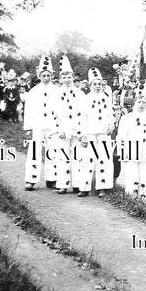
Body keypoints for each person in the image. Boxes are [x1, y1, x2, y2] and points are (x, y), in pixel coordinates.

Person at [23, 55, 61, 191]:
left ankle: (52, 179)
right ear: (39, 75)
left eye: (48, 75)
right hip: (38, 125)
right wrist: (28, 128)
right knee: (34, 151)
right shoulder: (33, 91)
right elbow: (28, 111)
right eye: (43, 75)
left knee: (53, 151)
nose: (45, 78)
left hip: (53, 126)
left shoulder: (57, 91)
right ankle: (31, 179)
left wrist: (60, 126)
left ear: (52, 75)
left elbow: (61, 110)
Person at [77, 67, 115, 198]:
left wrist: (111, 125)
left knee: (104, 158)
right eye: (95, 84)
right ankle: (85, 187)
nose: (97, 86)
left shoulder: (107, 98)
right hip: (90, 133)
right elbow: (81, 118)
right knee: (88, 159)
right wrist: (83, 135)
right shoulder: (85, 99)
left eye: (99, 84)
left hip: (104, 132)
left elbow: (111, 114)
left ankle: (103, 187)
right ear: (90, 85)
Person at [53, 55, 87, 194]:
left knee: (78, 157)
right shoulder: (56, 93)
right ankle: (62, 184)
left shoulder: (80, 93)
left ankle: (78, 184)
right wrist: (58, 129)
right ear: (61, 79)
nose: (67, 80)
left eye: (69, 77)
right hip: (63, 129)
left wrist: (82, 132)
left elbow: (84, 113)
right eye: (64, 77)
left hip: (77, 128)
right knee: (62, 156)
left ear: (73, 78)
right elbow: (53, 114)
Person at [116, 96, 146, 202]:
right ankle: (131, 202)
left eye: (144, 102)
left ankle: (145, 204)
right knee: (132, 178)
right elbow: (121, 137)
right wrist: (123, 152)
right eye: (139, 102)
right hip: (131, 151)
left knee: (145, 178)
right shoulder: (127, 118)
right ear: (135, 103)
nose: (141, 104)